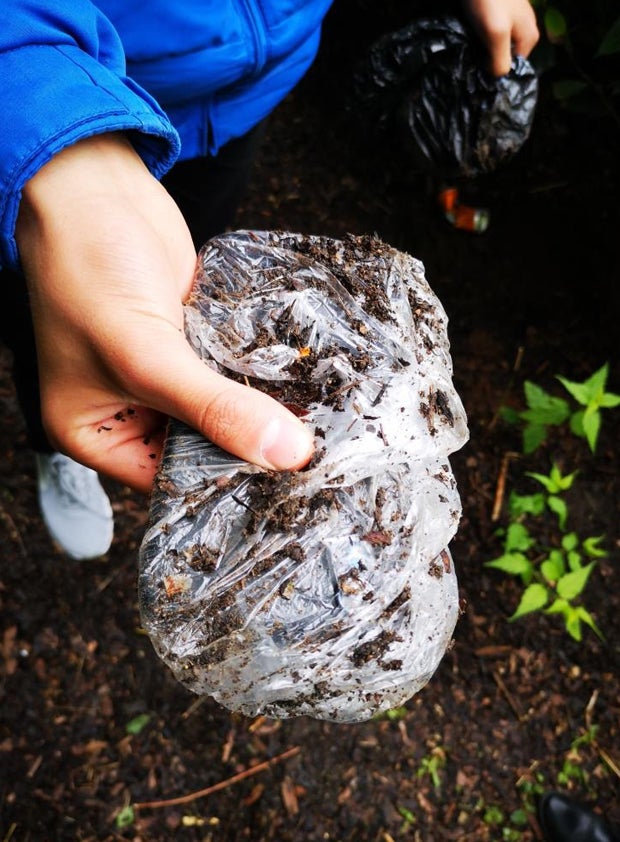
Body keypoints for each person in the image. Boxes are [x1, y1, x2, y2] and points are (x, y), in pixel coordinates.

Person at [0, 0, 539, 559]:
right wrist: (44, 114)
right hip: (78, 75)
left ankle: (161, 397)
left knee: (186, 290)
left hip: (246, 95)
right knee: (55, 306)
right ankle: (58, 444)